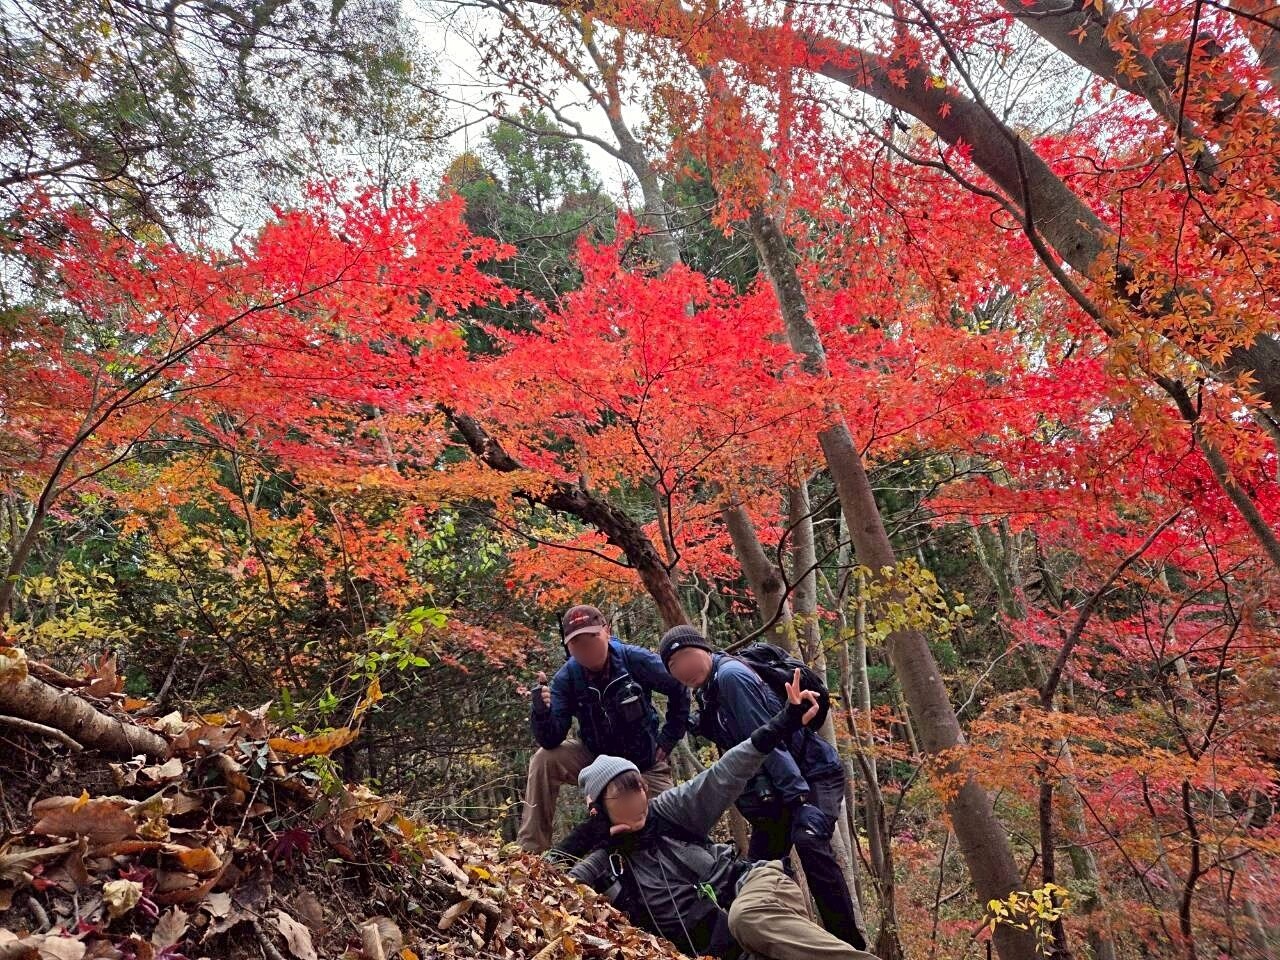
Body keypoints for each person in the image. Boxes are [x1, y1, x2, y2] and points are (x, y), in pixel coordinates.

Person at [549, 670, 879, 960]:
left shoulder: (670, 812)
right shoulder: (605, 863)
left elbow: (727, 771)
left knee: (747, 918)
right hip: (727, 950)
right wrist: (594, 834)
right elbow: (543, 878)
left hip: (755, 888)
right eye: (621, 793)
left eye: (638, 787)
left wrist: (783, 722)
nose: (636, 799)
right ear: (599, 809)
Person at [658, 625, 867, 950]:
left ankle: (850, 947)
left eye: (687, 656)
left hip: (810, 775)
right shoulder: (708, 691)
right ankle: (786, 946)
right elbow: (726, 734)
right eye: (674, 665)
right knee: (757, 873)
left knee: (809, 842)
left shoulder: (730, 678)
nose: (683, 668)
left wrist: (798, 798)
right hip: (777, 792)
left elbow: (769, 741)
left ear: (705, 649)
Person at [516, 604, 690, 853]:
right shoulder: (567, 678)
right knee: (545, 759)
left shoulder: (634, 660)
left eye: (592, 638)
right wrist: (541, 713)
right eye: (577, 643)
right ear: (568, 647)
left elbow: (679, 686)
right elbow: (551, 739)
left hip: (644, 765)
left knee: (675, 825)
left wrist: (669, 737)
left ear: (606, 631)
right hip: (596, 762)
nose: (586, 648)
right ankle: (529, 852)